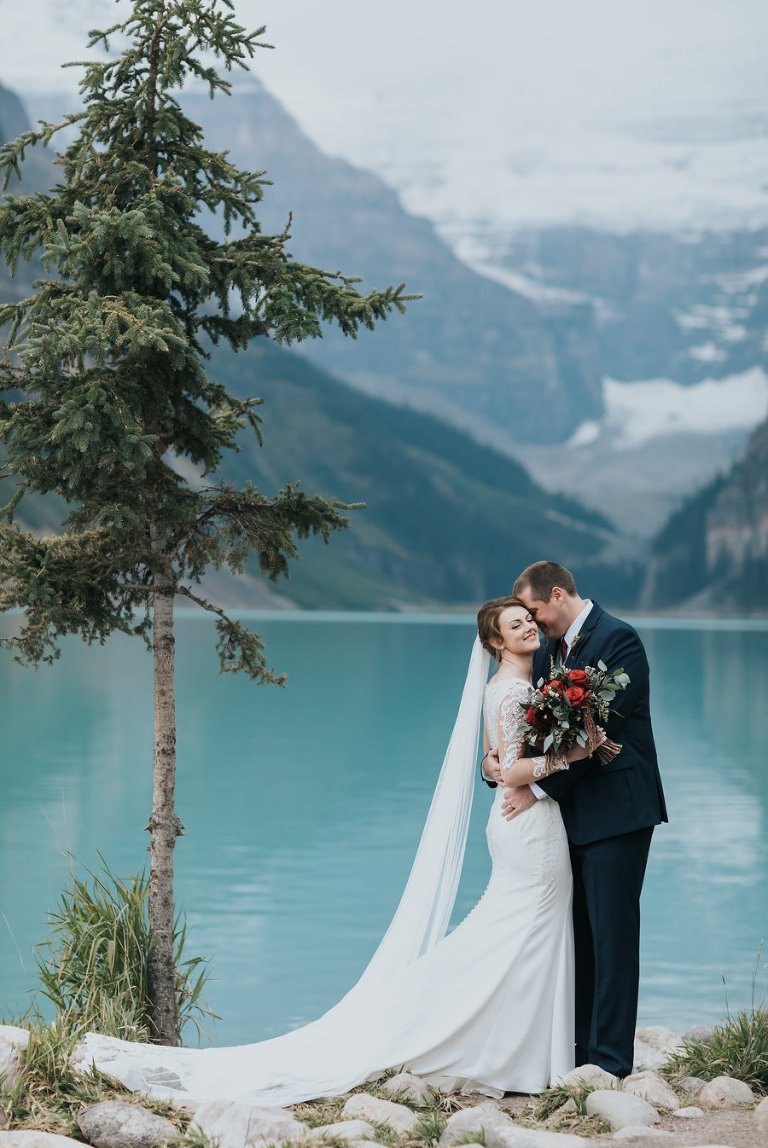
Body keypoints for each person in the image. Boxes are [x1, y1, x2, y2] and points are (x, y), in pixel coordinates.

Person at [76, 598, 593, 1105]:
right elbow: (513, 770)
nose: (528, 627)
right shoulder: (510, 692)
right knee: (519, 927)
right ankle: (490, 1045)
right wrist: (574, 752)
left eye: (529, 620)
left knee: (513, 930)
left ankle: (509, 1048)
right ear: (494, 641)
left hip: (521, 826)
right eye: (515, 624)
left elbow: (494, 759)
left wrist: (517, 764)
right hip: (528, 828)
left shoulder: (515, 686)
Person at [488, 561, 667, 1078]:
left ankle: (610, 1064)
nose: (534, 622)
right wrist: (497, 766)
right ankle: (578, 1054)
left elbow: (595, 734)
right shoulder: (545, 652)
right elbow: (533, 733)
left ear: (559, 596)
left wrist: (535, 786)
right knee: (577, 937)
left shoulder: (620, 640)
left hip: (618, 812)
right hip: (565, 816)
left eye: (536, 612)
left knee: (613, 936)